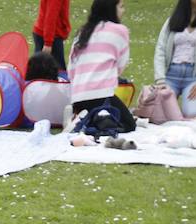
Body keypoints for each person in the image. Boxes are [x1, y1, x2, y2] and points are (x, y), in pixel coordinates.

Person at [68, 0, 135, 131]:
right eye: (121, 6)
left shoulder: (83, 32)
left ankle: (84, 118)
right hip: (101, 94)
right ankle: (94, 121)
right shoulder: (120, 31)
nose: (123, 10)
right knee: (129, 125)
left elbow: (71, 68)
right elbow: (121, 65)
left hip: (77, 96)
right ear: (111, 9)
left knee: (103, 113)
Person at [155, 0, 196, 116]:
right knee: (162, 115)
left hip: (194, 78)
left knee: (193, 114)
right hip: (170, 76)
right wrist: (160, 81)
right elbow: (160, 50)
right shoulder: (172, 21)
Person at [34, 0, 71, 73]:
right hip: (51, 36)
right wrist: (48, 43)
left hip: (48, 34)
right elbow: (51, 16)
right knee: (59, 73)